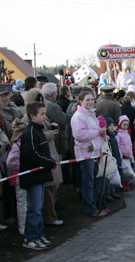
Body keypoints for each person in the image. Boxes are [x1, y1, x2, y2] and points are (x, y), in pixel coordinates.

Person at [19, 101, 57, 250]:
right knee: (34, 208)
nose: (44, 117)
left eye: (44, 113)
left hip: (40, 175)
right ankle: (30, 238)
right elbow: (32, 154)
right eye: (41, 114)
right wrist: (49, 162)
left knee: (38, 207)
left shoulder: (38, 131)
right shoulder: (30, 132)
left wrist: (48, 162)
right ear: (32, 116)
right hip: (33, 177)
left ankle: (38, 234)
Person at [71, 91, 107, 217]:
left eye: (92, 99)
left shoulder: (91, 114)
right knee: (88, 182)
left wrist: (103, 135)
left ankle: (95, 204)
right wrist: (98, 131)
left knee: (95, 180)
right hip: (86, 153)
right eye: (87, 100)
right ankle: (89, 208)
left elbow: (94, 131)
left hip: (94, 151)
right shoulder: (78, 117)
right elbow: (79, 135)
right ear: (80, 101)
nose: (90, 102)